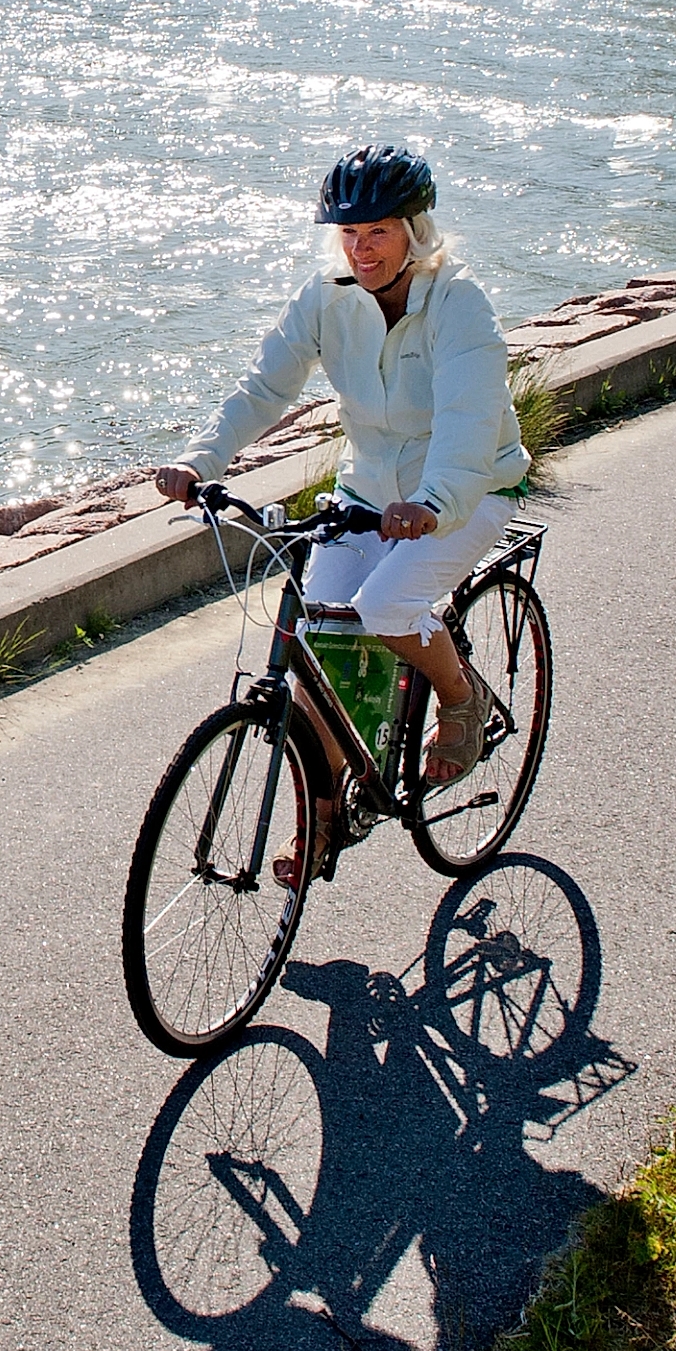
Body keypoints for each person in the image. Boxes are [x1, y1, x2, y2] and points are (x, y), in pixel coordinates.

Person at [154, 143, 528, 879]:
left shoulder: (459, 303)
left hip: (469, 494)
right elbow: (265, 386)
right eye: (350, 235)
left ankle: (462, 699)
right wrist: (203, 461)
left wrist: (433, 502)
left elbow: (468, 417)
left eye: (379, 232)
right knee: (314, 648)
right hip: (367, 498)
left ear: (415, 231)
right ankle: (324, 820)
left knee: (388, 604)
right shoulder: (325, 299)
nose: (362, 250)